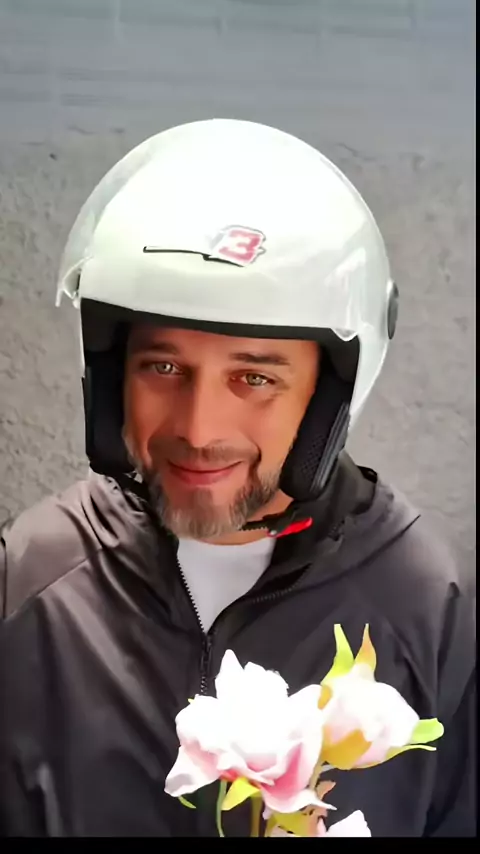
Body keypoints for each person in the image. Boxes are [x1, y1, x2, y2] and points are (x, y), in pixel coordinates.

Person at [0, 119, 475, 838]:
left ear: (326, 396)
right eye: (163, 367)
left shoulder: (432, 607)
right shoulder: (29, 580)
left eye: (254, 378)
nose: (198, 428)